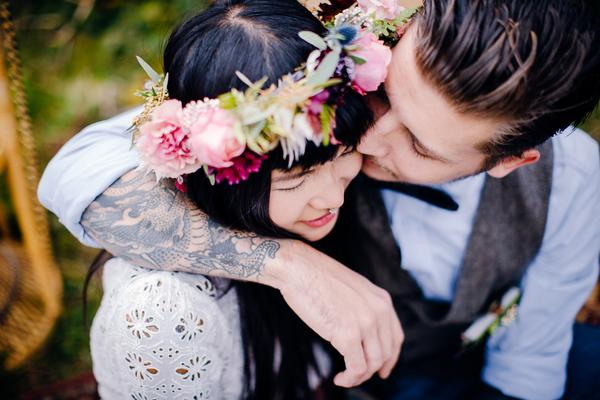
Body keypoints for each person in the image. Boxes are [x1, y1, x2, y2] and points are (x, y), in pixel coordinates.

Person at [39, 0, 600, 399]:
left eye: (420, 147)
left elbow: (529, 363)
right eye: (385, 98)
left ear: (509, 161)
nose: (368, 140)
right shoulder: (310, 67)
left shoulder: (571, 180)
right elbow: (75, 172)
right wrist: (290, 266)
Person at [74, 0, 395, 398]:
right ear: (217, 171)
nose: (333, 198)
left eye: (346, 153)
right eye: (295, 180)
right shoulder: (166, 314)